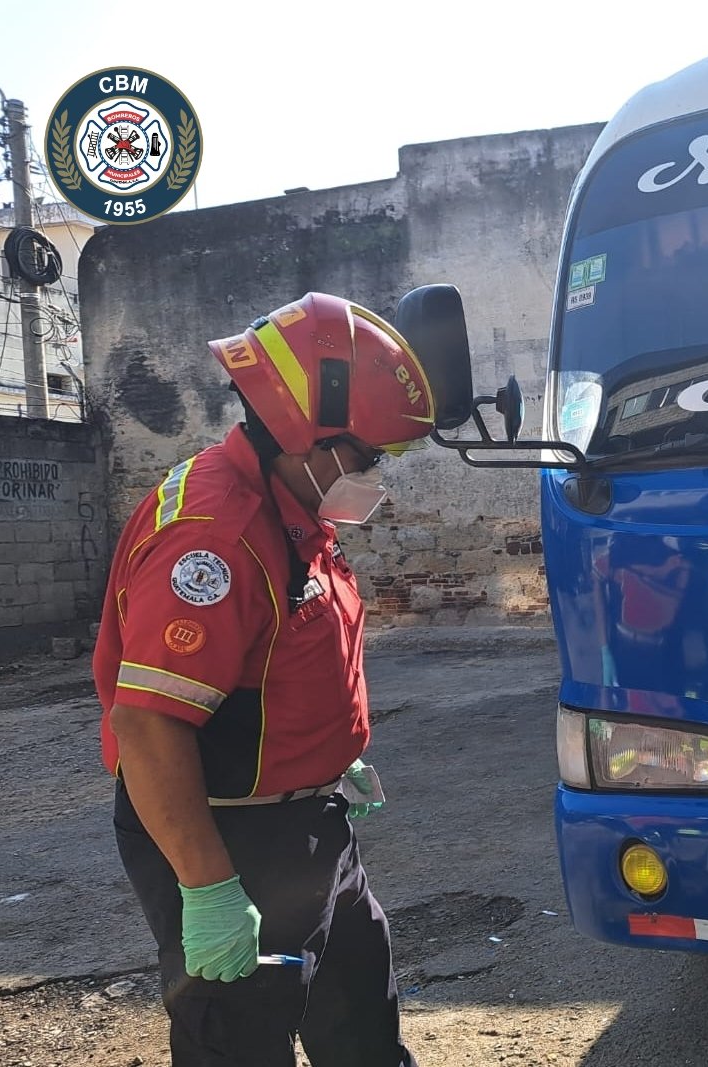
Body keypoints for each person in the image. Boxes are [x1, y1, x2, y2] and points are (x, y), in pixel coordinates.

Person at [92, 292, 437, 1066]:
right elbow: (147, 723)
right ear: (308, 439)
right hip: (229, 839)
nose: (376, 472)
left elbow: (287, 654)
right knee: (241, 1039)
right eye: (370, 454)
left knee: (362, 1024)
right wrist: (209, 887)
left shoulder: (293, 508)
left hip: (312, 822)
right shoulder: (213, 539)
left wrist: (332, 754)